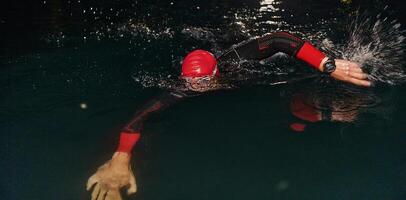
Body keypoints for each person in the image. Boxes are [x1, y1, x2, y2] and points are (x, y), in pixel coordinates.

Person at [86, 32, 371, 200]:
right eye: (192, 85)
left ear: (216, 75)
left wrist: (326, 64)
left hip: (270, 75)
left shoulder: (238, 63)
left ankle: (321, 109)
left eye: (204, 84)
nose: (197, 90)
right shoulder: (184, 89)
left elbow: (279, 39)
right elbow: (138, 119)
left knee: (293, 98)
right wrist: (121, 158)